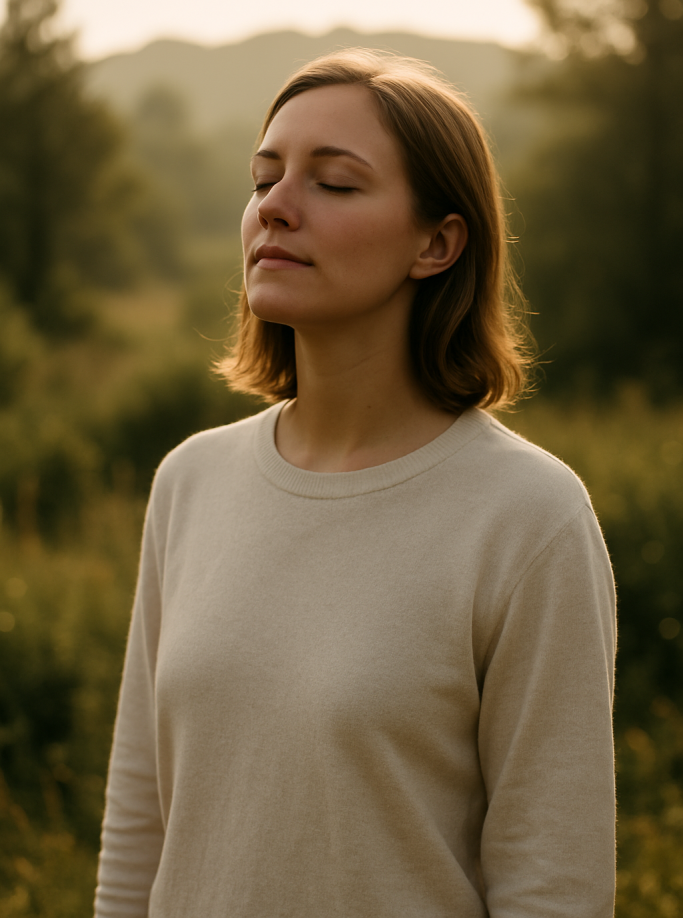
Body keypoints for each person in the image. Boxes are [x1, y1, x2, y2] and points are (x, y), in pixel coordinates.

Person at [94, 50, 616, 918]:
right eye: (264, 177)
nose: (275, 207)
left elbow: (553, 886)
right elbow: (138, 829)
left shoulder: (529, 518)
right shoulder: (191, 482)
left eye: (334, 184)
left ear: (437, 242)